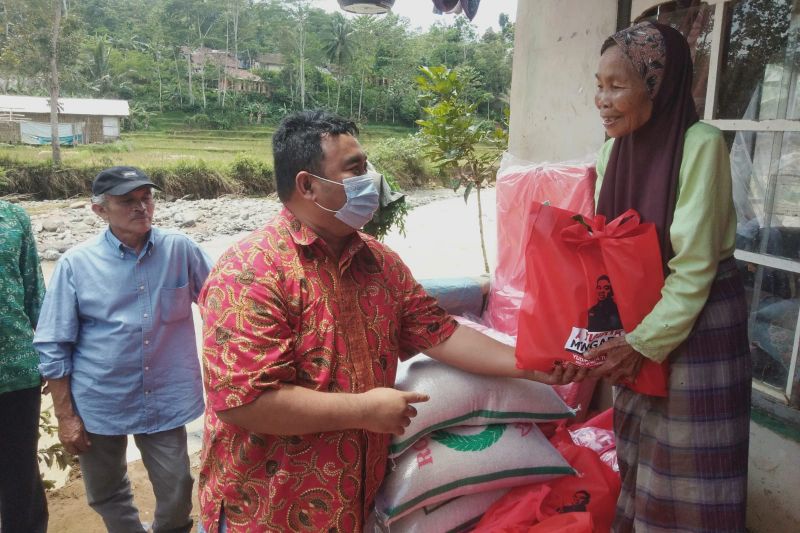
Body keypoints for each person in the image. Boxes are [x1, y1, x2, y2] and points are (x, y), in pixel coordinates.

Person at [197, 110, 563, 533]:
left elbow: (441, 333)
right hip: (265, 513)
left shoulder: (379, 262)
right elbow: (246, 401)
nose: (370, 180)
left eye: (366, 166)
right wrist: (362, 409)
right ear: (308, 185)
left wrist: (533, 365)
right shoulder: (250, 272)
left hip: (352, 509)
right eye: (355, 170)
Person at [573, 21, 751, 532]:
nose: (601, 100)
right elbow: (608, 246)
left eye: (617, 85)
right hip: (641, 316)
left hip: (698, 322)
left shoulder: (701, 144)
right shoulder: (612, 151)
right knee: (640, 453)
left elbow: (694, 267)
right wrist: (592, 339)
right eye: (599, 84)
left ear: (657, 85)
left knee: (691, 463)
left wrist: (643, 342)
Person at [34, 167, 213, 533]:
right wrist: (66, 416)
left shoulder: (180, 249)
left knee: (178, 485)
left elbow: (223, 304)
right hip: (100, 398)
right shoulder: (75, 264)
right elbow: (53, 343)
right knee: (105, 490)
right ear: (99, 210)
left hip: (166, 395)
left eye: (146, 197)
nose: (141, 207)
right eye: (127, 201)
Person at [0, 200, 47, 532]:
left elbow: (35, 292)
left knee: (19, 473)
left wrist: (52, 358)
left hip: (16, 371)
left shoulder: (12, 216)